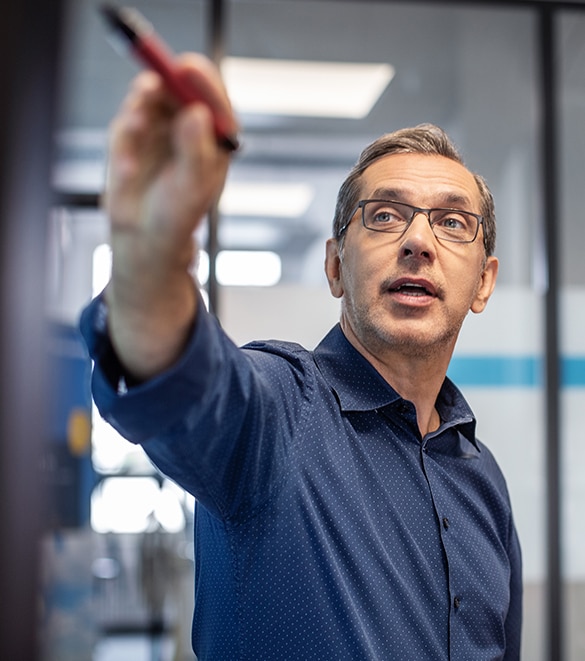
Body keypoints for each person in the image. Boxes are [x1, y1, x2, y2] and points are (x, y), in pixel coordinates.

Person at [80, 54, 522, 660]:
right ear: (336, 266)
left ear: (483, 282)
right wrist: (148, 259)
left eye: (452, 222)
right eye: (386, 216)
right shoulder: (276, 415)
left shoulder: (481, 476)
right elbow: (179, 375)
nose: (419, 241)